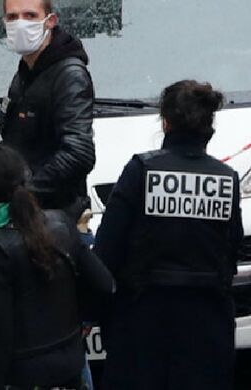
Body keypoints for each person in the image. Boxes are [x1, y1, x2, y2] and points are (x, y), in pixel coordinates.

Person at [93, 80, 243, 389]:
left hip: (143, 324)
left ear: (166, 123)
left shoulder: (141, 170)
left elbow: (106, 250)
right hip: (206, 328)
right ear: (208, 126)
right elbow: (231, 250)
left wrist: (93, 312)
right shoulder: (226, 178)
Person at [0, 144, 112, 390]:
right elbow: (104, 285)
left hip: (26, 377)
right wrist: (78, 324)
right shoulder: (61, 224)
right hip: (71, 367)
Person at [0, 0, 95, 220]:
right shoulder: (25, 71)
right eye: (12, 17)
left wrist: (27, 193)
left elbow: (79, 153)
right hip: (29, 213)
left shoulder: (68, 75)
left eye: (30, 16)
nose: (20, 24)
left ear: (50, 21)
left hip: (55, 216)